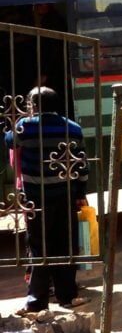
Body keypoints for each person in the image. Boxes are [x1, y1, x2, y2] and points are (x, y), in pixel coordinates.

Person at [5, 87, 89, 312]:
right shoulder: (73, 128)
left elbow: (9, 141)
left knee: (38, 247)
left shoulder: (26, 127)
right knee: (65, 245)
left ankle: (37, 301)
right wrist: (80, 193)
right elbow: (81, 165)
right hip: (65, 195)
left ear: (34, 105)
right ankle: (67, 296)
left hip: (35, 199)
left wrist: (19, 120)